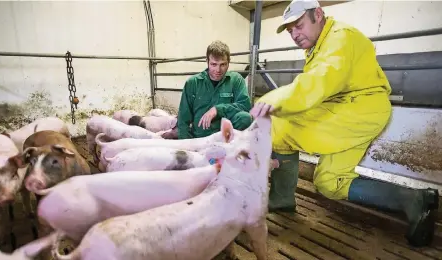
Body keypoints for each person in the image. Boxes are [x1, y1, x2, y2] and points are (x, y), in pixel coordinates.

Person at [249, 0, 439, 247]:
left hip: (360, 109)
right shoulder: (320, 45)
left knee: (280, 127)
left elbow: (320, 80)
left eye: (299, 25)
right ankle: (413, 200)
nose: (295, 34)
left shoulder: (340, 38)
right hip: (348, 109)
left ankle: (282, 200)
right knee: (329, 182)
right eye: (290, 30)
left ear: (318, 14)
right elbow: (320, 84)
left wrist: (274, 99)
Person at [177, 40, 253, 139]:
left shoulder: (236, 80)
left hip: (226, 137)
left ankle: (229, 145)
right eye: (214, 64)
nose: (218, 70)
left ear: (228, 63)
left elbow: (245, 105)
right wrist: (185, 145)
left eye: (223, 64)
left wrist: (218, 110)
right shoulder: (193, 83)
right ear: (207, 61)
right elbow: (183, 120)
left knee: (245, 118)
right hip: (200, 138)